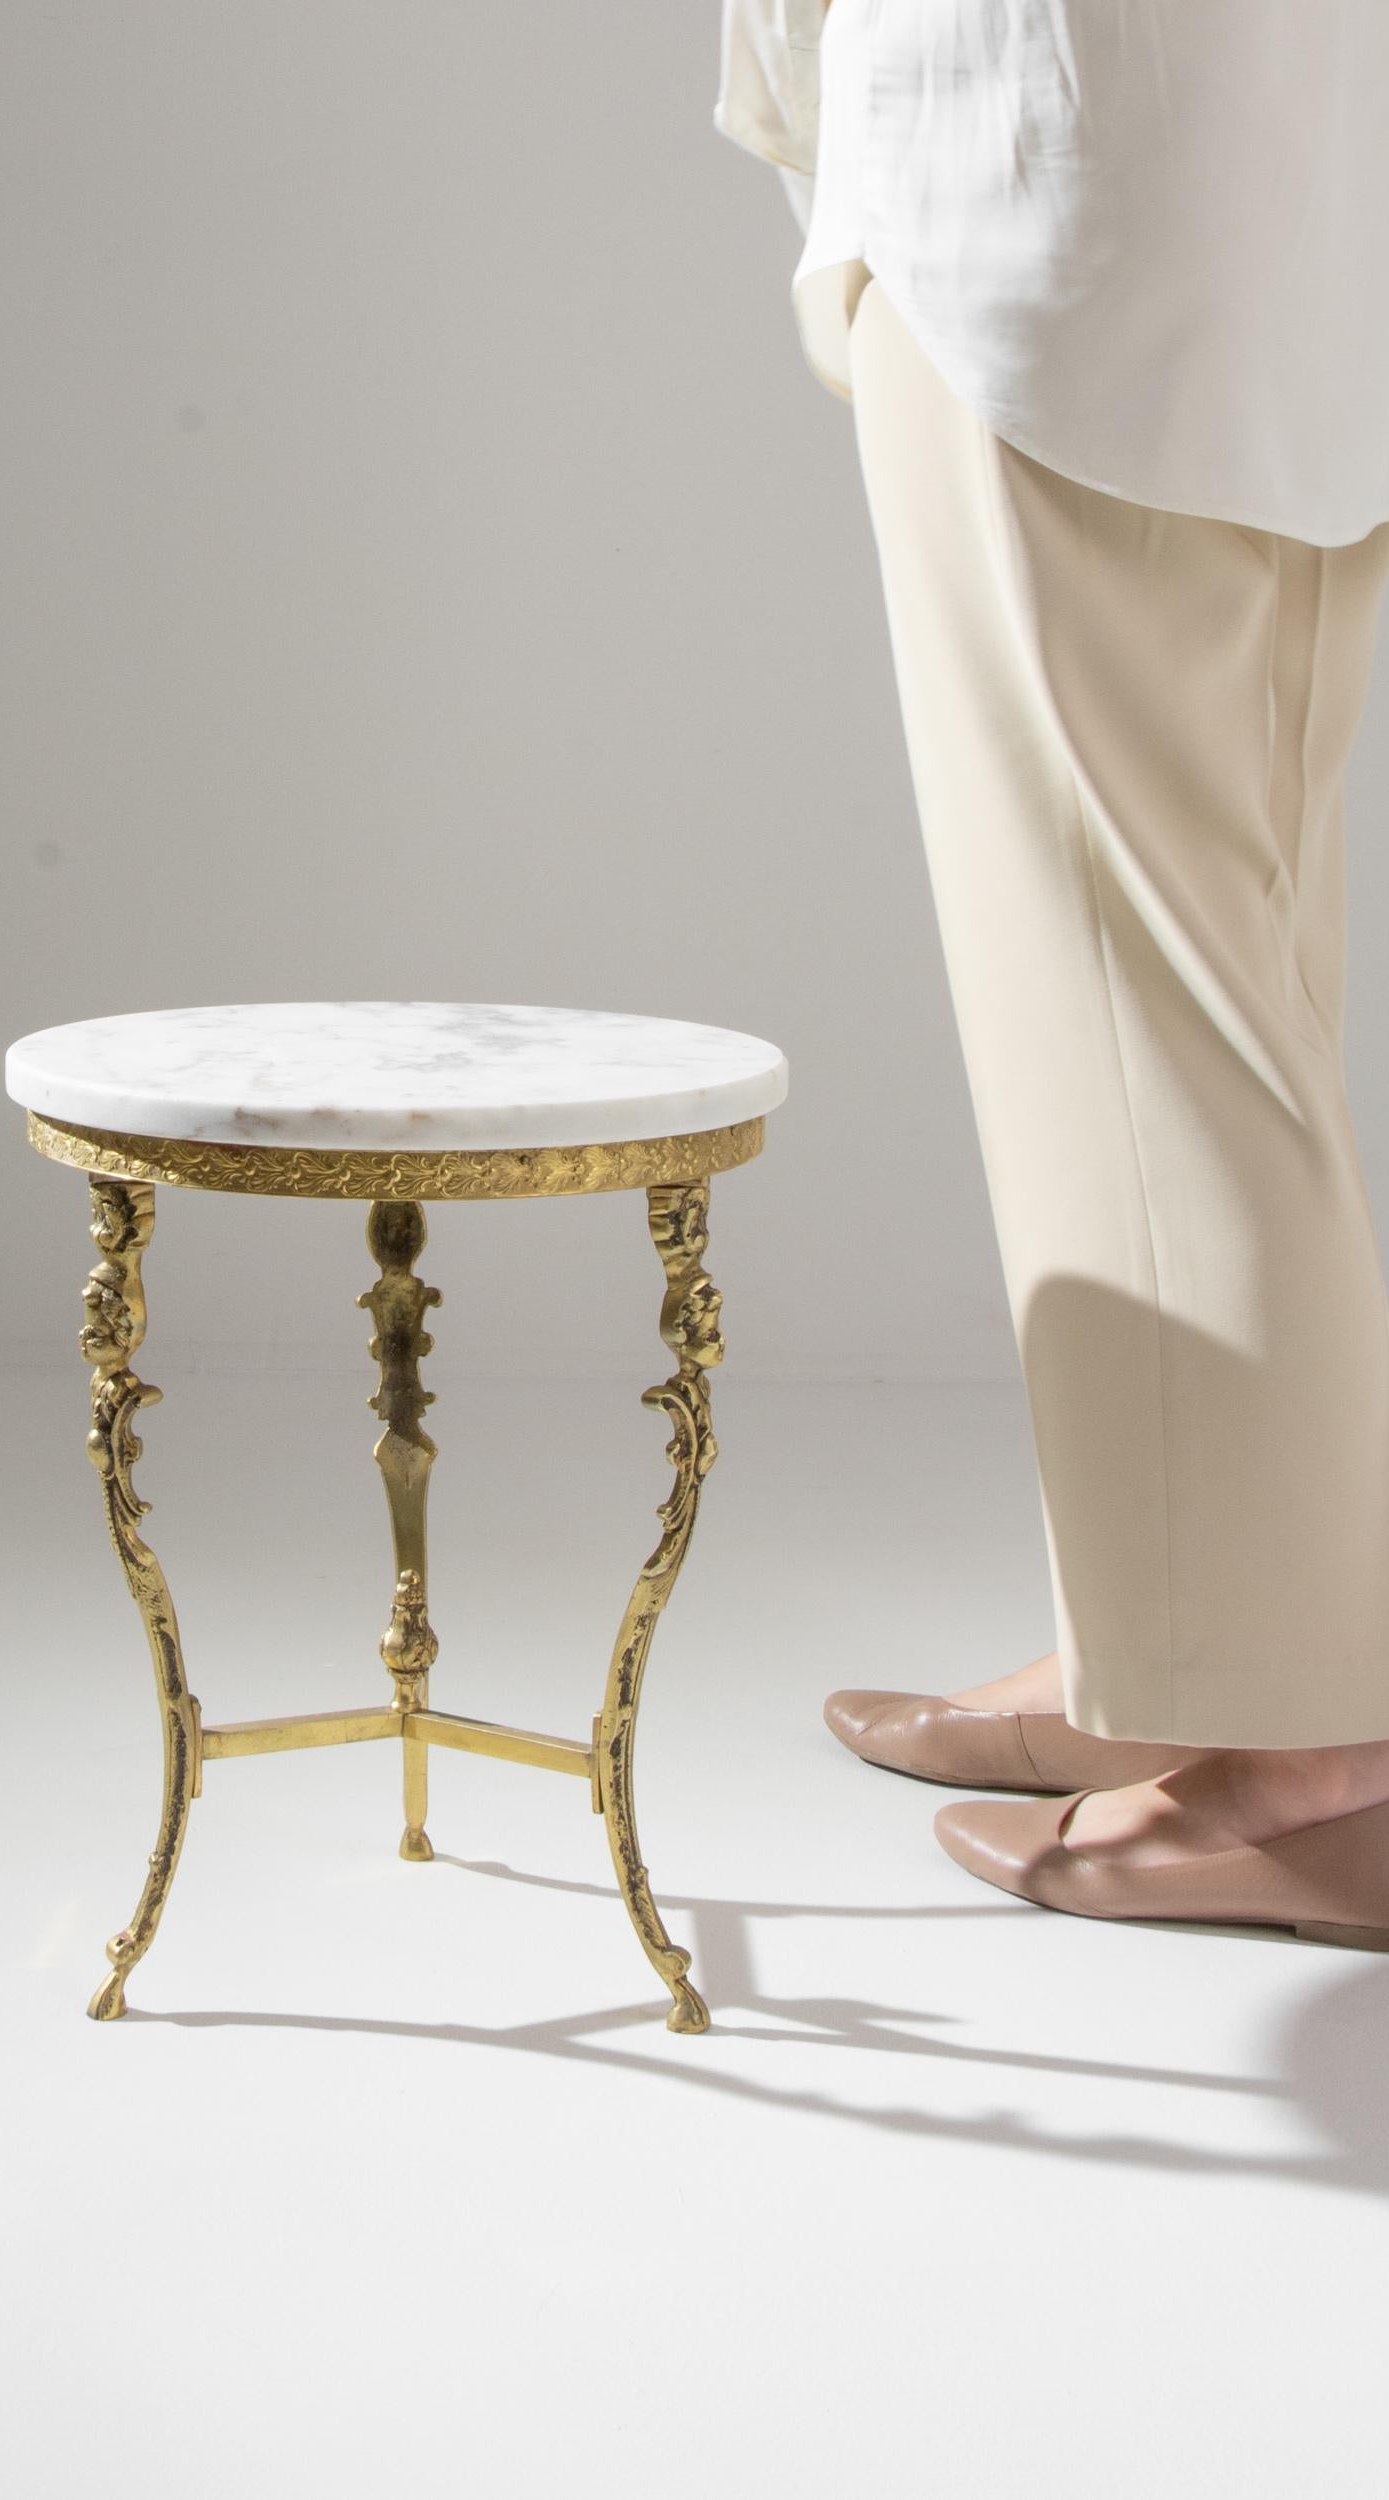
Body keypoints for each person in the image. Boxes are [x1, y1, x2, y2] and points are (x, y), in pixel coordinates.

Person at [717, 0, 1389, 1940]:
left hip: (1050, 175)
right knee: (1237, 956)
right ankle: (1195, 1630)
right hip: (1299, 183)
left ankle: (1299, 1743)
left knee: (1134, 996)